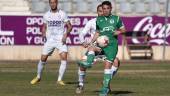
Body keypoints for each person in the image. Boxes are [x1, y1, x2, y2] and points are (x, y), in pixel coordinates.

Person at [77, 1, 126, 96]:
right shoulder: (98, 20)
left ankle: (105, 87)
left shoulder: (116, 18)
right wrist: (90, 42)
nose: (105, 10)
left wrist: (118, 32)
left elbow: (123, 30)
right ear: (100, 11)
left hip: (111, 46)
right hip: (99, 45)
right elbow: (97, 33)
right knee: (90, 50)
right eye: (103, 9)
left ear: (111, 8)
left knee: (109, 65)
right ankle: (81, 81)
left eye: (107, 8)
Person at [30, 0, 72, 85]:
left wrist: (65, 35)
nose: (53, 4)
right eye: (51, 3)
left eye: (54, 2)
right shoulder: (46, 15)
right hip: (50, 40)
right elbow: (44, 26)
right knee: (43, 59)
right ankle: (38, 77)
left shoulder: (62, 14)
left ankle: (59, 80)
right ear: (49, 4)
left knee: (64, 57)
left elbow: (70, 26)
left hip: (60, 40)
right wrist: (43, 32)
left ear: (57, 3)